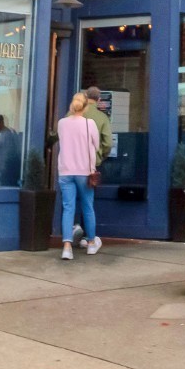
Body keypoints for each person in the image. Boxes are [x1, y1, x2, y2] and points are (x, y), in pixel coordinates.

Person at [56, 93, 102, 260]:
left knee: (68, 208)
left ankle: (67, 247)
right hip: (84, 171)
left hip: (66, 171)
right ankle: (90, 243)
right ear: (86, 107)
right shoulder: (90, 124)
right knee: (87, 207)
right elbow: (96, 146)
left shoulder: (61, 123)